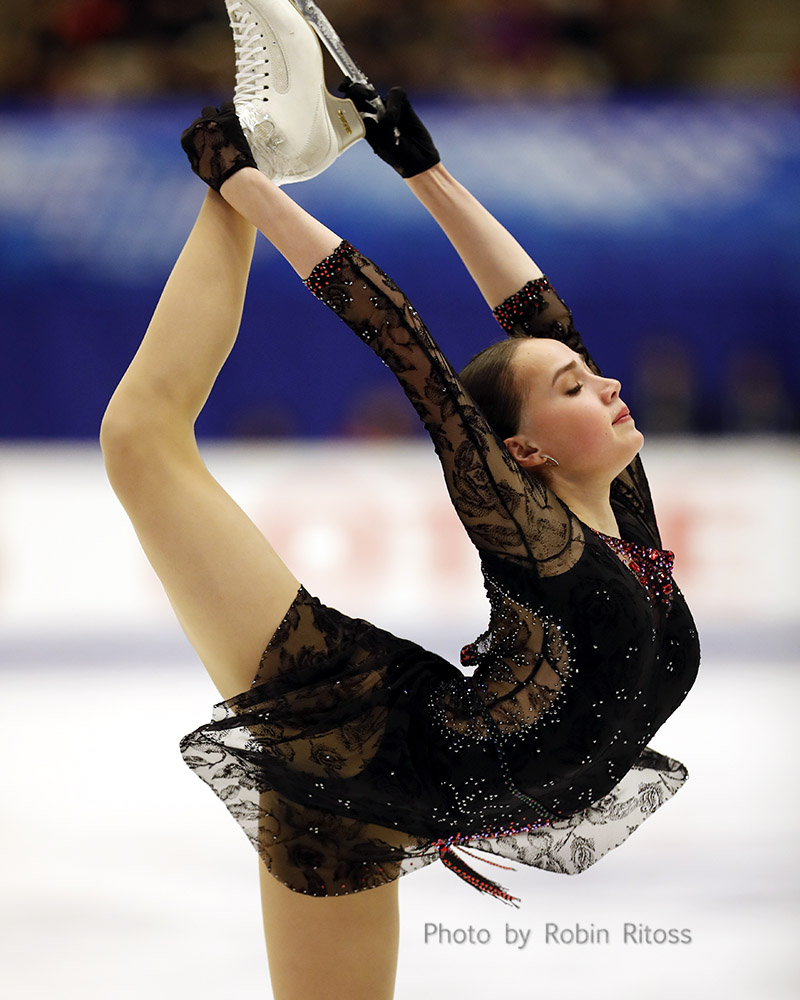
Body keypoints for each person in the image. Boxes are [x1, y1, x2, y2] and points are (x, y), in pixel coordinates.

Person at [100, 2, 699, 998]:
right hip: (353, 732)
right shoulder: (530, 530)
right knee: (138, 441)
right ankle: (262, 141)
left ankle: (271, 142)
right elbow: (402, 342)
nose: (604, 383)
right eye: (572, 389)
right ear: (519, 452)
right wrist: (242, 182)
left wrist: (423, 167)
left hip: (380, 787)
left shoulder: (615, 515)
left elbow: (537, 317)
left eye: (588, 380)